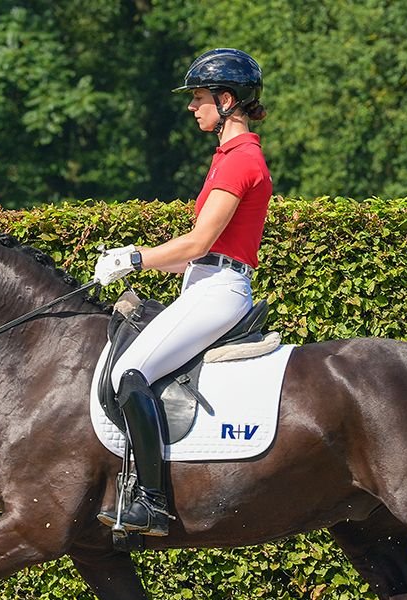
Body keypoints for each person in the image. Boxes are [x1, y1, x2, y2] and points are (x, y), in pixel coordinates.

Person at [94, 48, 272, 537]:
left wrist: (133, 257)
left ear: (227, 100)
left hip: (219, 289)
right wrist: (134, 262)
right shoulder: (226, 159)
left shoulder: (241, 161)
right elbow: (190, 255)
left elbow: (198, 242)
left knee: (130, 372)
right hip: (203, 281)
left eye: (198, 98)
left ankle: (151, 501)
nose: (193, 107)